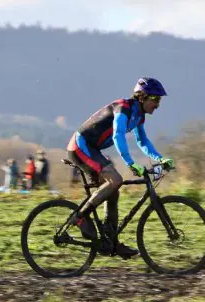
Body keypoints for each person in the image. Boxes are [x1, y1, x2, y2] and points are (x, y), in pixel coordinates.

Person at [66, 77, 174, 259]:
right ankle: (80, 217)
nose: (158, 105)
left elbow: (142, 141)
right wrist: (131, 163)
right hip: (80, 147)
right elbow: (118, 135)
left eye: (159, 100)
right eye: (155, 99)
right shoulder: (123, 108)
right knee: (116, 180)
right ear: (142, 97)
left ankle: (110, 242)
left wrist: (160, 158)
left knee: (113, 190)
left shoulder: (139, 116)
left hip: (92, 149)